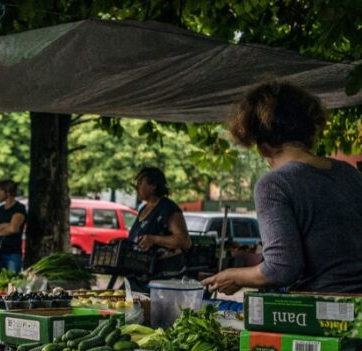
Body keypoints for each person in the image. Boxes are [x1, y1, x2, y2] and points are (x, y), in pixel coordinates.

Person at [204, 79, 362, 294]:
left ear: (262, 146)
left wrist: (235, 275)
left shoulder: (274, 185)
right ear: (310, 132)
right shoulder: (348, 172)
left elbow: (280, 269)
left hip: (322, 313)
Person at [127, 167, 191, 253]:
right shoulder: (143, 209)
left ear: (153, 186)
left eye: (140, 183)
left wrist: (154, 239)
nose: (136, 188)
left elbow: (185, 241)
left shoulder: (168, 208)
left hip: (164, 265)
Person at [0, 179, 26, 274]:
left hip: (12, 253)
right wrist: (5, 225)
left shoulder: (19, 208)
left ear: (7, 192)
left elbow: (13, 228)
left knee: (13, 283)